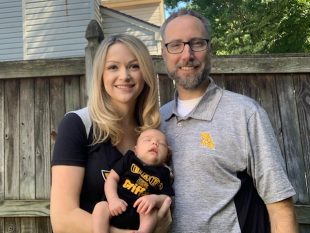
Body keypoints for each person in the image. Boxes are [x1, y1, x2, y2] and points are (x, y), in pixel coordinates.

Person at [159, 8, 299, 233]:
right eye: (175, 45)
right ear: (164, 54)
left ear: (210, 49)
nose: (187, 55)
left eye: (197, 43)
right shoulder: (157, 122)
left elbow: (280, 206)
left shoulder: (245, 114)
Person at [50, 34, 172, 233]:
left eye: (134, 66)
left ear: (146, 73)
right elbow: (62, 219)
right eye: (113, 67)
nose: (124, 76)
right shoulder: (78, 124)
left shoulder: (153, 135)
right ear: (101, 75)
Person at [92, 128, 174, 233]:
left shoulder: (164, 173)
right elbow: (111, 178)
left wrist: (155, 199)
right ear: (136, 150)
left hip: (141, 212)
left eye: (162, 144)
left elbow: (167, 198)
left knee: (151, 211)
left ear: (167, 156)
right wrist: (113, 199)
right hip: (116, 205)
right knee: (100, 207)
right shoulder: (129, 159)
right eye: (147, 140)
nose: (155, 143)